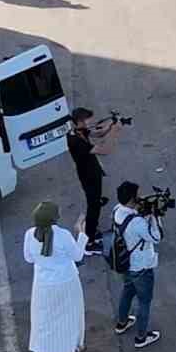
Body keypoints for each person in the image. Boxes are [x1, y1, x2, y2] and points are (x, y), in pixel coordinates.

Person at [23, 201, 86, 352]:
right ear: (55, 218)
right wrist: (81, 233)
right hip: (66, 282)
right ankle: (72, 348)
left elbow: (29, 259)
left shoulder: (30, 234)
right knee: (70, 316)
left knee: (41, 318)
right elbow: (78, 256)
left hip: (42, 284)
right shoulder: (63, 235)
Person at [111, 181, 163, 349]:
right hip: (141, 266)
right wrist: (154, 217)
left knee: (127, 291)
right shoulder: (137, 222)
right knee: (144, 301)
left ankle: (122, 322)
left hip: (125, 263)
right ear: (132, 200)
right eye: (138, 196)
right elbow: (156, 237)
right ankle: (141, 337)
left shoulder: (116, 211)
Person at [66, 107, 119, 252]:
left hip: (91, 172)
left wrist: (110, 126)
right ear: (80, 121)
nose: (91, 122)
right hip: (89, 176)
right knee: (93, 206)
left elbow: (98, 133)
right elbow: (105, 150)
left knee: (94, 203)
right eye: (88, 119)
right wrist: (114, 133)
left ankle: (92, 231)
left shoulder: (78, 132)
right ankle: (89, 241)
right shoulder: (77, 141)